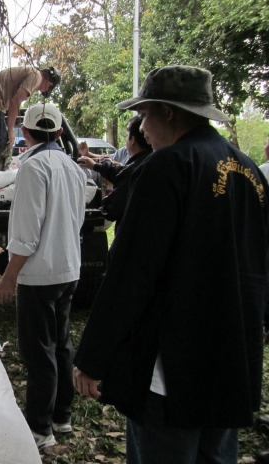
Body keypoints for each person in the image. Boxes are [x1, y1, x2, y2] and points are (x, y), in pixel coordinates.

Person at [73, 66, 269, 464]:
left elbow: (133, 271)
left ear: (167, 112)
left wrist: (93, 358)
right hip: (230, 361)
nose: (142, 129)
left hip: (173, 370)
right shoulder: (249, 171)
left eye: (144, 115)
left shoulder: (168, 166)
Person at [0, 103, 86, 450]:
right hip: (68, 269)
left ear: (24, 133)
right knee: (61, 345)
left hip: (38, 274)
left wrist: (9, 277)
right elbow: (75, 221)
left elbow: (26, 234)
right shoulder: (72, 167)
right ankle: (62, 416)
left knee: (39, 353)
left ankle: (39, 427)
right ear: (60, 132)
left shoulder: (32, 168)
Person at [0, 66, 61, 172]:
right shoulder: (36, 77)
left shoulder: (31, 72)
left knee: (1, 142)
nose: (38, 90)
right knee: (4, 145)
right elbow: (15, 101)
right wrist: (11, 131)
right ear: (49, 84)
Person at [77, 116, 152, 228]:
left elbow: (112, 208)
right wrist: (94, 164)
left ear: (132, 140)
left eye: (126, 136)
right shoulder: (152, 162)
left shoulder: (133, 171)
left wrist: (102, 207)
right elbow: (115, 169)